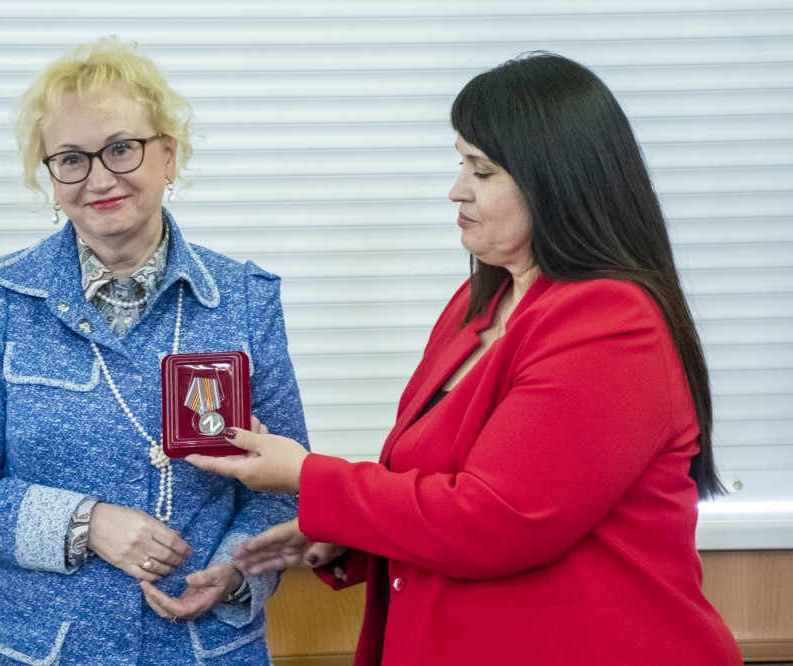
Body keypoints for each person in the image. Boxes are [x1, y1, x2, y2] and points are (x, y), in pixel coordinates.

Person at [186, 52, 744, 665]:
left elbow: (497, 520)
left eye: (482, 170)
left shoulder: (610, 323)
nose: (457, 189)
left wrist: (307, 477)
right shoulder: (478, 302)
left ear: (556, 181)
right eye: (461, 164)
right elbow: (441, 486)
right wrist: (345, 539)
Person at [0, 37, 308, 665]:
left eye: (121, 148)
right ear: (51, 178)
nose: (99, 179)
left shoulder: (244, 299)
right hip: (25, 650)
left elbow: (286, 487)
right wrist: (86, 523)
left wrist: (237, 571)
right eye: (71, 158)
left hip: (201, 649)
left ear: (168, 155)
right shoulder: (0, 298)